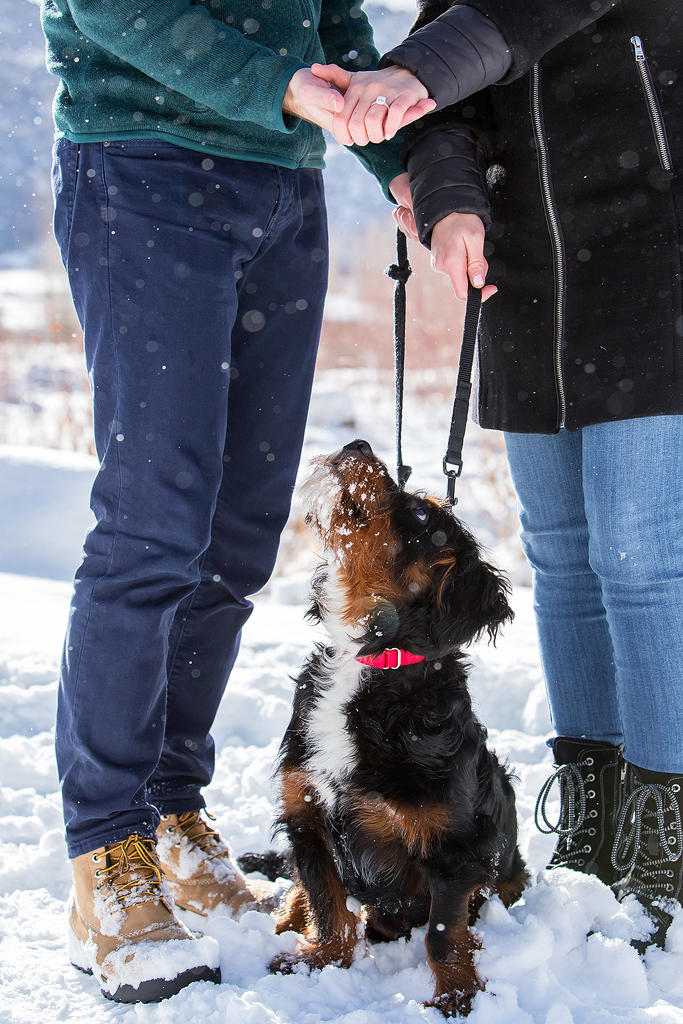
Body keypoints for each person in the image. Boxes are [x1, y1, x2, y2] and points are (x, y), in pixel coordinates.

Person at [41, 0, 433, 1004]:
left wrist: (400, 166)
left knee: (236, 538)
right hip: (144, 168)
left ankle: (171, 808)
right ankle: (106, 852)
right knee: (151, 527)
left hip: (280, 190)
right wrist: (281, 86)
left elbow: (329, 16)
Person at [314, 0, 683, 952]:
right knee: (561, 562)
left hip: (654, 258)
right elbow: (452, 115)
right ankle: (597, 818)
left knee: (640, 562)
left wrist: (417, 72)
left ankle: (666, 845)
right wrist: (451, 201)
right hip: (526, 281)